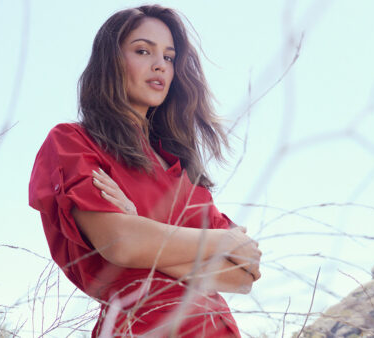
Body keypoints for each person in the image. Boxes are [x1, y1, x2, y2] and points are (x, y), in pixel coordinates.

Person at [29, 5, 262, 337]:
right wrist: (222, 241)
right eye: (143, 50)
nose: (159, 65)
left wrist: (142, 229)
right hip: (142, 326)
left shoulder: (185, 175)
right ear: (111, 61)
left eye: (168, 57)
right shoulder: (73, 142)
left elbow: (242, 276)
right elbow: (120, 244)